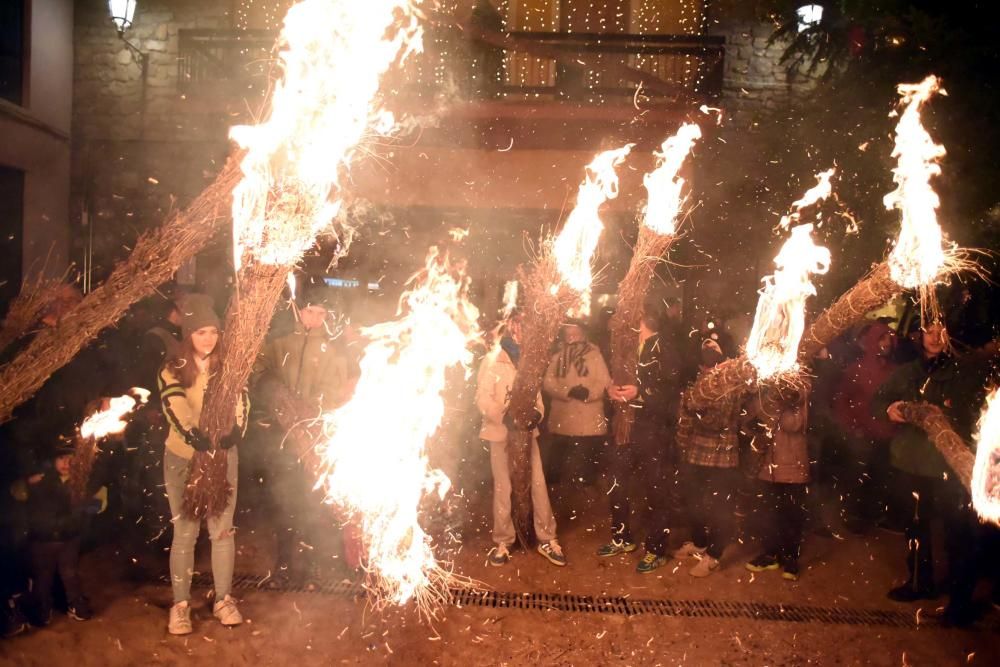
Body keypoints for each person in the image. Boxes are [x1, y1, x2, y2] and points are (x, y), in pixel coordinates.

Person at [873, 321, 988, 625]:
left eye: (941, 330)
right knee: (916, 527)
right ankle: (919, 583)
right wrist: (890, 409)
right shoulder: (907, 372)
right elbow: (880, 400)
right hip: (911, 463)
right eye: (928, 330)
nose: (934, 337)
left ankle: (959, 602)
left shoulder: (964, 373)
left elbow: (976, 414)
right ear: (919, 335)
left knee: (958, 533)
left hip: (948, 465)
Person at [158, 294, 248, 635]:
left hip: (222, 458)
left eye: (213, 331)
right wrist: (192, 434)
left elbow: (240, 400)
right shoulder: (172, 368)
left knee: (222, 531)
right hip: (182, 457)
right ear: (188, 335)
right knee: (185, 531)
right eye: (200, 332)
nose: (208, 339)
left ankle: (223, 598)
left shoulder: (229, 365)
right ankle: (180, 605)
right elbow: (174, 405)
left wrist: (235, 430)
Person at [254, 286, 351, 586]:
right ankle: (285, 565)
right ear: (299, 310)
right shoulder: (279, 342)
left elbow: (338, 394)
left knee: (313, 501)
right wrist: (271, 390)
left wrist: (316, 409)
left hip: (315, 439)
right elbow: (257, 369)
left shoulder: (333, 352)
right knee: (283, 499)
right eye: (311, 311)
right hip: (282, 436)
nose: (316, 319)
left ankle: (313, 565)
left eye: (322, 314)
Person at [599, 301, 682, 573]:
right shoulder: (627, 348)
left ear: (642, 319)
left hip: (654, 429)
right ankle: (621, 537)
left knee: (656, 488)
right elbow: (619, 380)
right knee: (616, 482)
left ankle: (657, 548)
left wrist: (641, 392)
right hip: (625, 427)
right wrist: (611, 390)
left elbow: (671, 387)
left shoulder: (666, 347)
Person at [475, 315, 564, 567]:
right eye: (515, 327)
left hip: (526, 434)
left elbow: (536, 398)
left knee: (537, 482)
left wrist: (535, 414)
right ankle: (503, 540)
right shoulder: (492, 360)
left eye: (523, 328)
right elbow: (482, 398)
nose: (520, 332)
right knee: (504, 486)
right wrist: (504, 416)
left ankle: (547, 537)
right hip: (500, 433)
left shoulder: (529, 361)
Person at [674, 339, 745, 577]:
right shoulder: (699, 376)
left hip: (721, 456)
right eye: (705, 350)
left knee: (719, 507)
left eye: (713, 350)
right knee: (692, 500)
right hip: (696, 452)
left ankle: (714, 555)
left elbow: (720, 420)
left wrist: (695, 410)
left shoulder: (729, 380)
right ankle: (700, 542)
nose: (708, 354)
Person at [19, 438, 106, 625]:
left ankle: (77, 607)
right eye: (61, 458)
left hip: (69, 539)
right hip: (43, 539)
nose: (67, 463)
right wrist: (26, 482)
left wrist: (95, 500)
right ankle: (42, 611)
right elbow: (17, 492)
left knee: (70, 574)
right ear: (53, 461)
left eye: (71, 458)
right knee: (43, 576)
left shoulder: (82, 482)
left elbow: (98, 498)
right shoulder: (41, 480)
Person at [830, 321, 899, 533]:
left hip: (887, 434)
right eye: (882, 338)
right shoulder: (855, 369)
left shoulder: (895, 371)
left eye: (889, 338)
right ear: (871, 341)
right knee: (858, 476)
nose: (887, 343)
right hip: (861, 434)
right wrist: (852, 427)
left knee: (881, 476)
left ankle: (874, 515)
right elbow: (841, 401)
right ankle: (854, 516)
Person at [745, 385, 810, 581]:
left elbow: (794, 424)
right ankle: (770, 554)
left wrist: (777, 402)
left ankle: (791, 558)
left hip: (792, 465)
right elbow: (748, 421)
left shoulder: (799, 389)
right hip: (766, 465)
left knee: (791, 514)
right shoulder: (762, 388)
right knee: (767, 512)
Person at [542, 319, 611, 486]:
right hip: (563, 416)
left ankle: (587, 488)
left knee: (587, 456)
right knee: (559, 454)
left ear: (583, 335)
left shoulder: (595, 356)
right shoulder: (558, 357)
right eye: (569, 334)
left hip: (589, 417)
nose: (572, 337)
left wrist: (589, 393)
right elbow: (548, 382)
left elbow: (604, 382)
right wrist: (567, 391)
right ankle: (556, 489)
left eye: (576, 334)